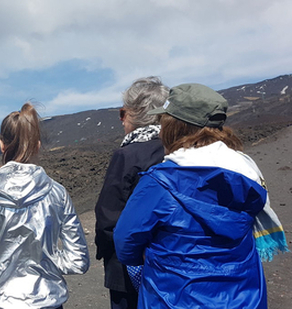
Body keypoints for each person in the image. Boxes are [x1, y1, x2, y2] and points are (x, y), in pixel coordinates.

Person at [114, 83, 288, 308]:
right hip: (244, 296)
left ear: (174, 127)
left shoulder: (159, 183)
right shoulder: (247, 172)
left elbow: (125, 241)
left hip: (174, 297)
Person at [0, 103, 90, 309]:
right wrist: (43, 261)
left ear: (1, 145)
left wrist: (2, 265)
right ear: (37, 145)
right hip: (48, 301)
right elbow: (78, 261)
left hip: (2, 302)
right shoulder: (57, 193)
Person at [94, 77, 168, 309]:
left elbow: (109, 214)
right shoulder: (176, 149)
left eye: (122, 112)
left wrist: (106, 250)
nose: (121, 120)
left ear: (136, 113)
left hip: (128, 264)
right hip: (168, 260)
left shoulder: (127, 155)